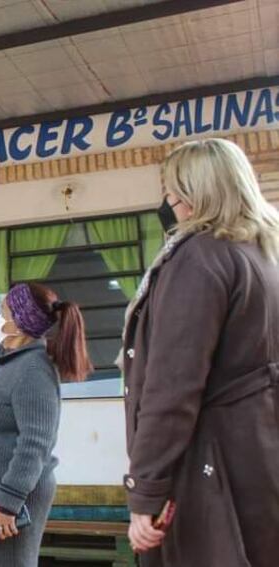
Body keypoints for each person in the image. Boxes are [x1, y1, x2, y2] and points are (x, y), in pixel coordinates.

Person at [121, 138, 279, 567]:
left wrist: (146, 489)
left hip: (209, 467)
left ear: (193, 195)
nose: (167, 201)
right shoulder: (262, 254)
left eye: (170, 189)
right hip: (256, 454)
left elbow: (172, 387)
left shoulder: (199, 258)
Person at [0, 271, 91, 567]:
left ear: (18, 323)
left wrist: (7, 503)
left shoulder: (33, 371)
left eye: (3, 313)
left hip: (6, 506)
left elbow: (35, 444)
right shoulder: (14, 363)